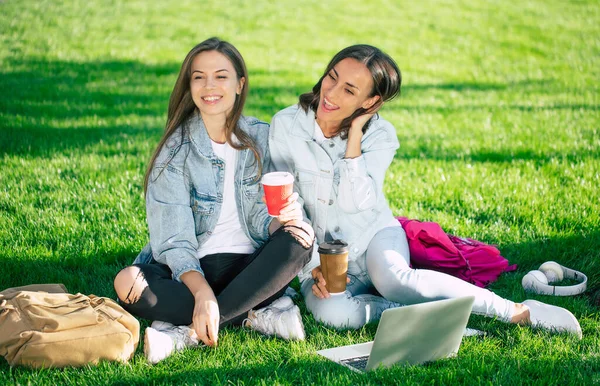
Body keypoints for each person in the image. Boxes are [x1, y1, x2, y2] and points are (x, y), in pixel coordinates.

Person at [268, 44, 582, 338]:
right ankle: (406, 309)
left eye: (349, 90)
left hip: (374, 236)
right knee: (335, 317)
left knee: (395, 279)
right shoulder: (286, 125)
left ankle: (516, 310)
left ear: (370, 102)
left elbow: (354, 203)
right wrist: (312, 266)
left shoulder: (380, 135)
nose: (331, 93)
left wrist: (354, 140)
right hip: (323, 254)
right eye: (331, 77)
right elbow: (286, 204)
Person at [113, 37, 315, 364]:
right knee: (127, 283)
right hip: (192, 271)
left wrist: (286, 218)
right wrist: (202, 293)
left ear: (240, 84)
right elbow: (173, 243)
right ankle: (254, 312)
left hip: (252, 268)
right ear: (189, 85)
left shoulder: (263, 138)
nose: (210, 85)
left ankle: (187, 331)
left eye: (221, 76)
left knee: (301, 236)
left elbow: (271, 220)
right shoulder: (174, 151)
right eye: (199, 77)